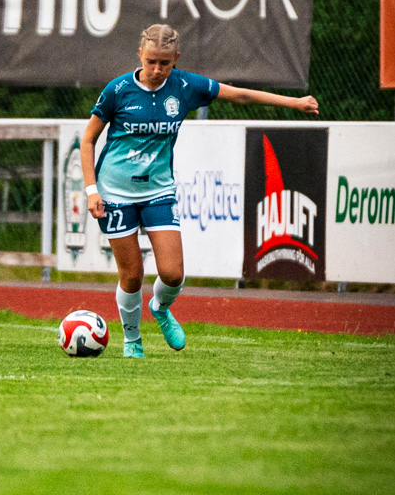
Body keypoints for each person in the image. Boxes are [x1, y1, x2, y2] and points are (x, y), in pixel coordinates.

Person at [79, 24, 319, 358]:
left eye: (165, 63)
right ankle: (132, 341)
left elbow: (240, 95)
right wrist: (92, 190)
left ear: (176, 59)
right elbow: (88, 139)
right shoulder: (117, 90)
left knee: (173, 274)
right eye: (151, 61)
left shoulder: (185, 86)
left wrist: (294, 102)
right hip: (115, 193)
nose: (157, 69)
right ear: (140, 55)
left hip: (158, 190)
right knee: (132, 276)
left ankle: (160, 308)